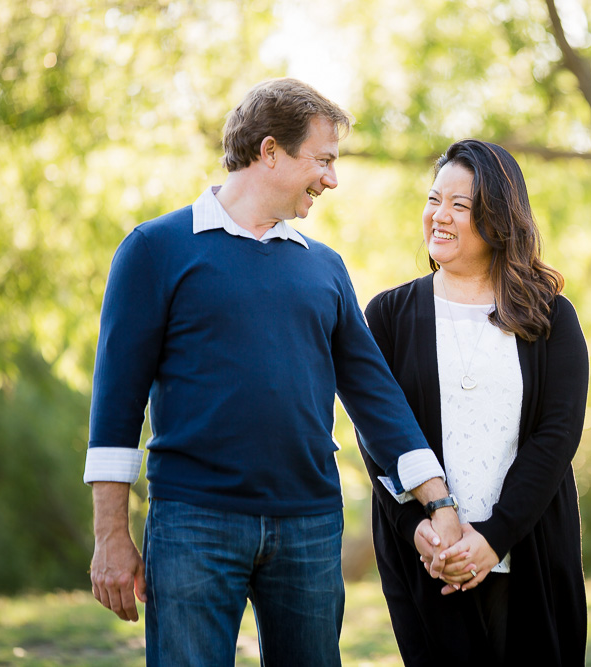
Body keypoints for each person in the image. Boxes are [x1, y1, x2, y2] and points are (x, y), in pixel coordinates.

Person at [85, 78, 461, 666]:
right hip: (192, 525)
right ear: (270, 152)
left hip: (310, 527)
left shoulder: (326, 269)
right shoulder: (155, 250)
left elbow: (376, 398)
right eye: (324, 160)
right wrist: (110, 536)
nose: (332, 179)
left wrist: (439, 501)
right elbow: (115, 405)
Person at [357, 139, 590, 665]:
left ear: (497, 218)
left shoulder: (550, 317)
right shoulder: (388, 317)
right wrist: (419, 532)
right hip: (429, 561)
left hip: (529, 552)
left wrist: (494, 538)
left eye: (459, 206)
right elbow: (376, 440)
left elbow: (557, 436)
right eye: (434, 199)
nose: (439, 216)